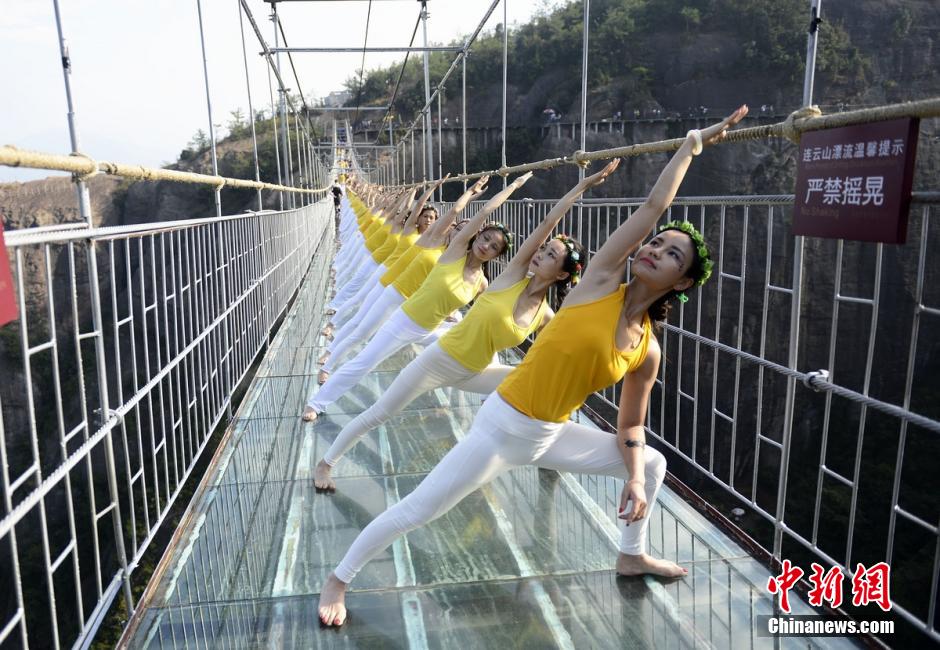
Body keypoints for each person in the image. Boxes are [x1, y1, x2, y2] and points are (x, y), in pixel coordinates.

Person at [317, 105, 749, 627]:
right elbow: (653, 208)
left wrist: (632, 478)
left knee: (651, 465)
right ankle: (339, 578)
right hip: (501, 429)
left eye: (672, 256)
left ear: (681, 284)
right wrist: (691, 146)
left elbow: (631, 424)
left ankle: (631, 553)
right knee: (419, 510)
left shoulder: (647, 350)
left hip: (549, 436)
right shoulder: (599, 283)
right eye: (657, 243)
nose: (657, 249)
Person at [312, 160, 620, 491]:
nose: (540, 254)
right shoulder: (512, 276)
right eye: (544, 248)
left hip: (475, 372)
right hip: (441, 360)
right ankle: (326, 463)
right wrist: (580, 187)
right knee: (381, 411)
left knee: (528, 377)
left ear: (561, 274)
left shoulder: (543, 315)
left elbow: (555, 354)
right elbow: (547, 222)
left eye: (549, 255)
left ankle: (543, 454)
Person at [302, 173, 533, 421]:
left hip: (431, 328)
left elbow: (484, 314)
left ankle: (492, 399)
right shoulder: (453, 252)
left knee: (482, 349)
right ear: (475, 235)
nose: (486, 245)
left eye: (494, 247)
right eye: (485, 238)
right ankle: (317, 403)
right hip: (405, 318)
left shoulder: (482, 282)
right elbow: (477, 211)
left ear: (497, 255)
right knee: (364, 361)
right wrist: (510, 186)